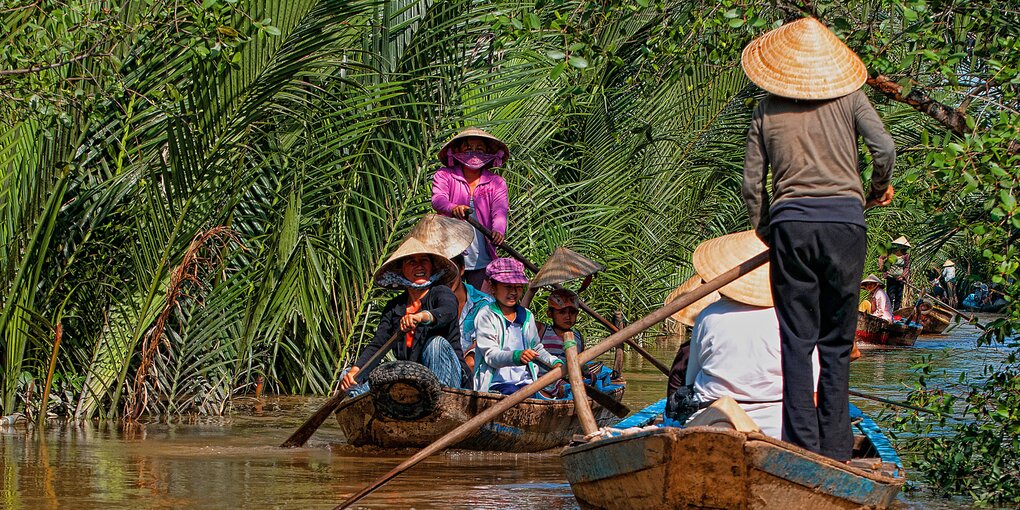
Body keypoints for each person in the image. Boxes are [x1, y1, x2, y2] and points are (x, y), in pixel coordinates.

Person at [740, 17, 896, 461]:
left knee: (797, 341)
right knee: (836, 344)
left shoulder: (766, 110)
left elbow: (753, 185)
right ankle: (836, 451)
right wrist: (872, 190)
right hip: (846, 225)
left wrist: (767, 227)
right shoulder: (851, 97)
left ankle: (801, 449)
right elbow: (884, 148)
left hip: (792, 225)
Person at [668, 231, 818, 440]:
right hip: (778, 427)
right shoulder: (795, 317)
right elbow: (812, 386)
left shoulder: (708, 315)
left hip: (712, 423)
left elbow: (691, 379)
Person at [340, 237, 466, 393]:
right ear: (402, 270)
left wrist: (422, 317)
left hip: (449, 384)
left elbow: (447, 312)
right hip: (413, 386)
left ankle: (437, 402)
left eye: (424, 260)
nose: (419, 266)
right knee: (349, 376)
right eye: (411, 262)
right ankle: (386, 411)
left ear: (432, 266)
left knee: (436, 344)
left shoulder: (441, 293)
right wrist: (356, 371)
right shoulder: (394, 307)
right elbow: (378, 344)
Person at [431, 128, 510, 289]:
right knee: (449, 302)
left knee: (482, 305)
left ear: (488, 153)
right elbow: (438, 200)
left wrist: (498, 231)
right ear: (457, 151)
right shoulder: (444, 175)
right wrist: (454, 208)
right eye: (468, 149)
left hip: (482, 257)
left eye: (479, 149)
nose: (474, 154)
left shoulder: (496, 182)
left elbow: (500, 210)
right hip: (450, 253)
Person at [473, 258, 562, 395]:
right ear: (493, 287)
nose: (514, 292)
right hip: (496, 384)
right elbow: (491, 356)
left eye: (518, 287)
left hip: (526, 383)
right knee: (512, 393)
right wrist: (516, 356)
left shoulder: (526, 316)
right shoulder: (486, 315)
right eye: (508, 286)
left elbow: (537, 348)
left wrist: (554, 362)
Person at [450, 253, 494, 372]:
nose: (447, 278)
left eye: (451, 270)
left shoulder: (484, 304)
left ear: (462, 269)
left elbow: (480, 347)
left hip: (473, 376)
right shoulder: (429, 304)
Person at [537, 288, 586, 360]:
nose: (568, 317)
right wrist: (530, 292)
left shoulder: (578, 336)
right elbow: (520, 319)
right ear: (550, 313)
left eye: (572, 312)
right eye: (562, 312)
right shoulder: (541, 330)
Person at [878, 237, 911, 310]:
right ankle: (888, 311)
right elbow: (881, 258)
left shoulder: (905, 255)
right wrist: (882, 268)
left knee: (898, 297)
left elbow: (907, 267)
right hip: (891, 277)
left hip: (900, 279)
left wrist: (902, 276)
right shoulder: (890, 252)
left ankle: (896, 312)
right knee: (890, 296)